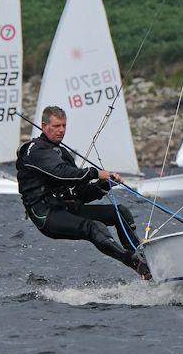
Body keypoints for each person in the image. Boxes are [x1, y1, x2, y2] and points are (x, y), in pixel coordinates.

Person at [16, 105, 150, 279]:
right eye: (56, 126)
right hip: (46, 214)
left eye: (64, 126)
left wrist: (103, 185)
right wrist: (95, 173)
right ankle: (135, 263)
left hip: (67, 208)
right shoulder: (35, 150)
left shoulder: (62, 153)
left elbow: (79, 193)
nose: (61, 130)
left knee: (120, 212)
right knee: (93, 227)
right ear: (44, 126)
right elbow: (61, 173)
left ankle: (144, 260)